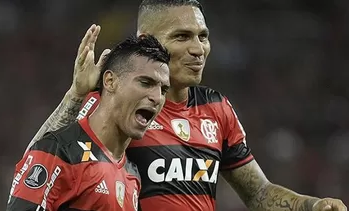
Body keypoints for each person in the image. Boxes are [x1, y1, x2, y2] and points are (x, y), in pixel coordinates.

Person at [24, 1, 347, 211]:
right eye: (182, 37)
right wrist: (76, 96)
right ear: (147, 39)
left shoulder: (217, 108)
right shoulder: (119, 106)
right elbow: (39, 165)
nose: (198, 49)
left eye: (202, 36)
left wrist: (312, 206)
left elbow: (259, 194)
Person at [6, 34, 170, 211]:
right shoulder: (59, 152)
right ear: (110, 81)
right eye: (146, 83)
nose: (157, 97)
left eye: (163, 90)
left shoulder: (132, 175)